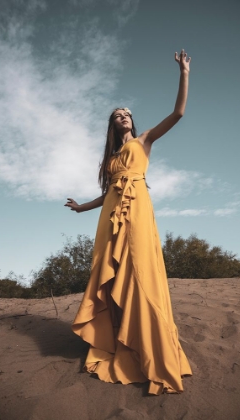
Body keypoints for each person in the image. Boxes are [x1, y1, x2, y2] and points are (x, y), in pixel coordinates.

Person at [65, 49, 192, 395]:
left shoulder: (144, 140)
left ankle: (149, 346)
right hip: (109, 217)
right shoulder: (110, 159)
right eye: (118, 114)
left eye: (127, 114)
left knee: (139, 269)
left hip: (136, 209)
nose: (124, 116)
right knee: (112, 273)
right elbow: (107, 195)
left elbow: (178, 112)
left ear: (133, 122)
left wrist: (184, 72)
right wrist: (82, 208)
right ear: (112, 124)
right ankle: (120, 337)